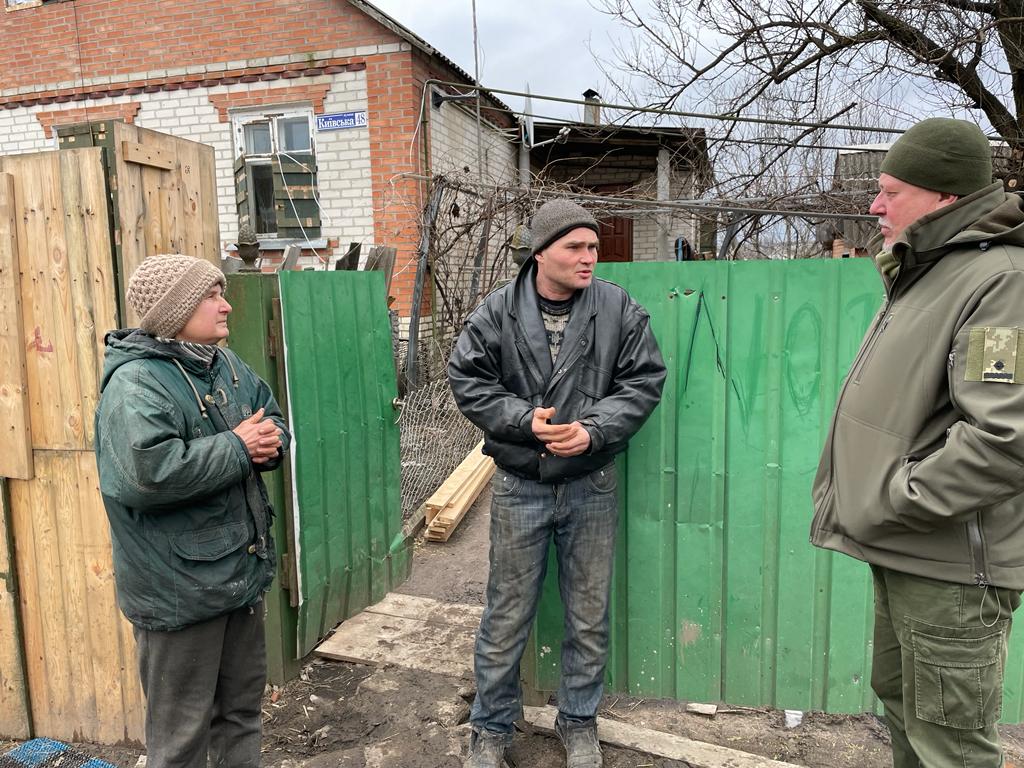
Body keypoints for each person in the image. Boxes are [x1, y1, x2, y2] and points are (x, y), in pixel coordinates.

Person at [811, 118, 1024, 767]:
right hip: (913, 550)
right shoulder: (928, 269)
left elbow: (1005, 438)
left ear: (945, 197)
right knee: (906, 715)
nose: (874, 205)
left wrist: (894, 497)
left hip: (952, 566)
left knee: (951, 748)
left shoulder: (1001, 281)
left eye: (890, 191)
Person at [449, 200, 666, 767]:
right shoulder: (497, 311)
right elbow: (467, 379)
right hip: (520, 483)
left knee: (588, 614)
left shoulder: (618, 308)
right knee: (506, 612)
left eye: (593, 247)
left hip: (590, 483)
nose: (589, 257)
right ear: (541, 251)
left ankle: (579, 723)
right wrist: (523, 421)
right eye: (575, 247)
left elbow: (643, 381)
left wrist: (593, 432)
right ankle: (491, 729)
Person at [94, 254, 290, 768]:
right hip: (179, 594)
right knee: (181, 739)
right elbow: (145, 474)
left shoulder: (222, 364)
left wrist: (272, 440)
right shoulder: (136, 384)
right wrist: (238, 447)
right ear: (174, 309)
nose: (226, 305)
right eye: (212, 295)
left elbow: (269, 416)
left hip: (237, 577)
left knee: (241, 716)